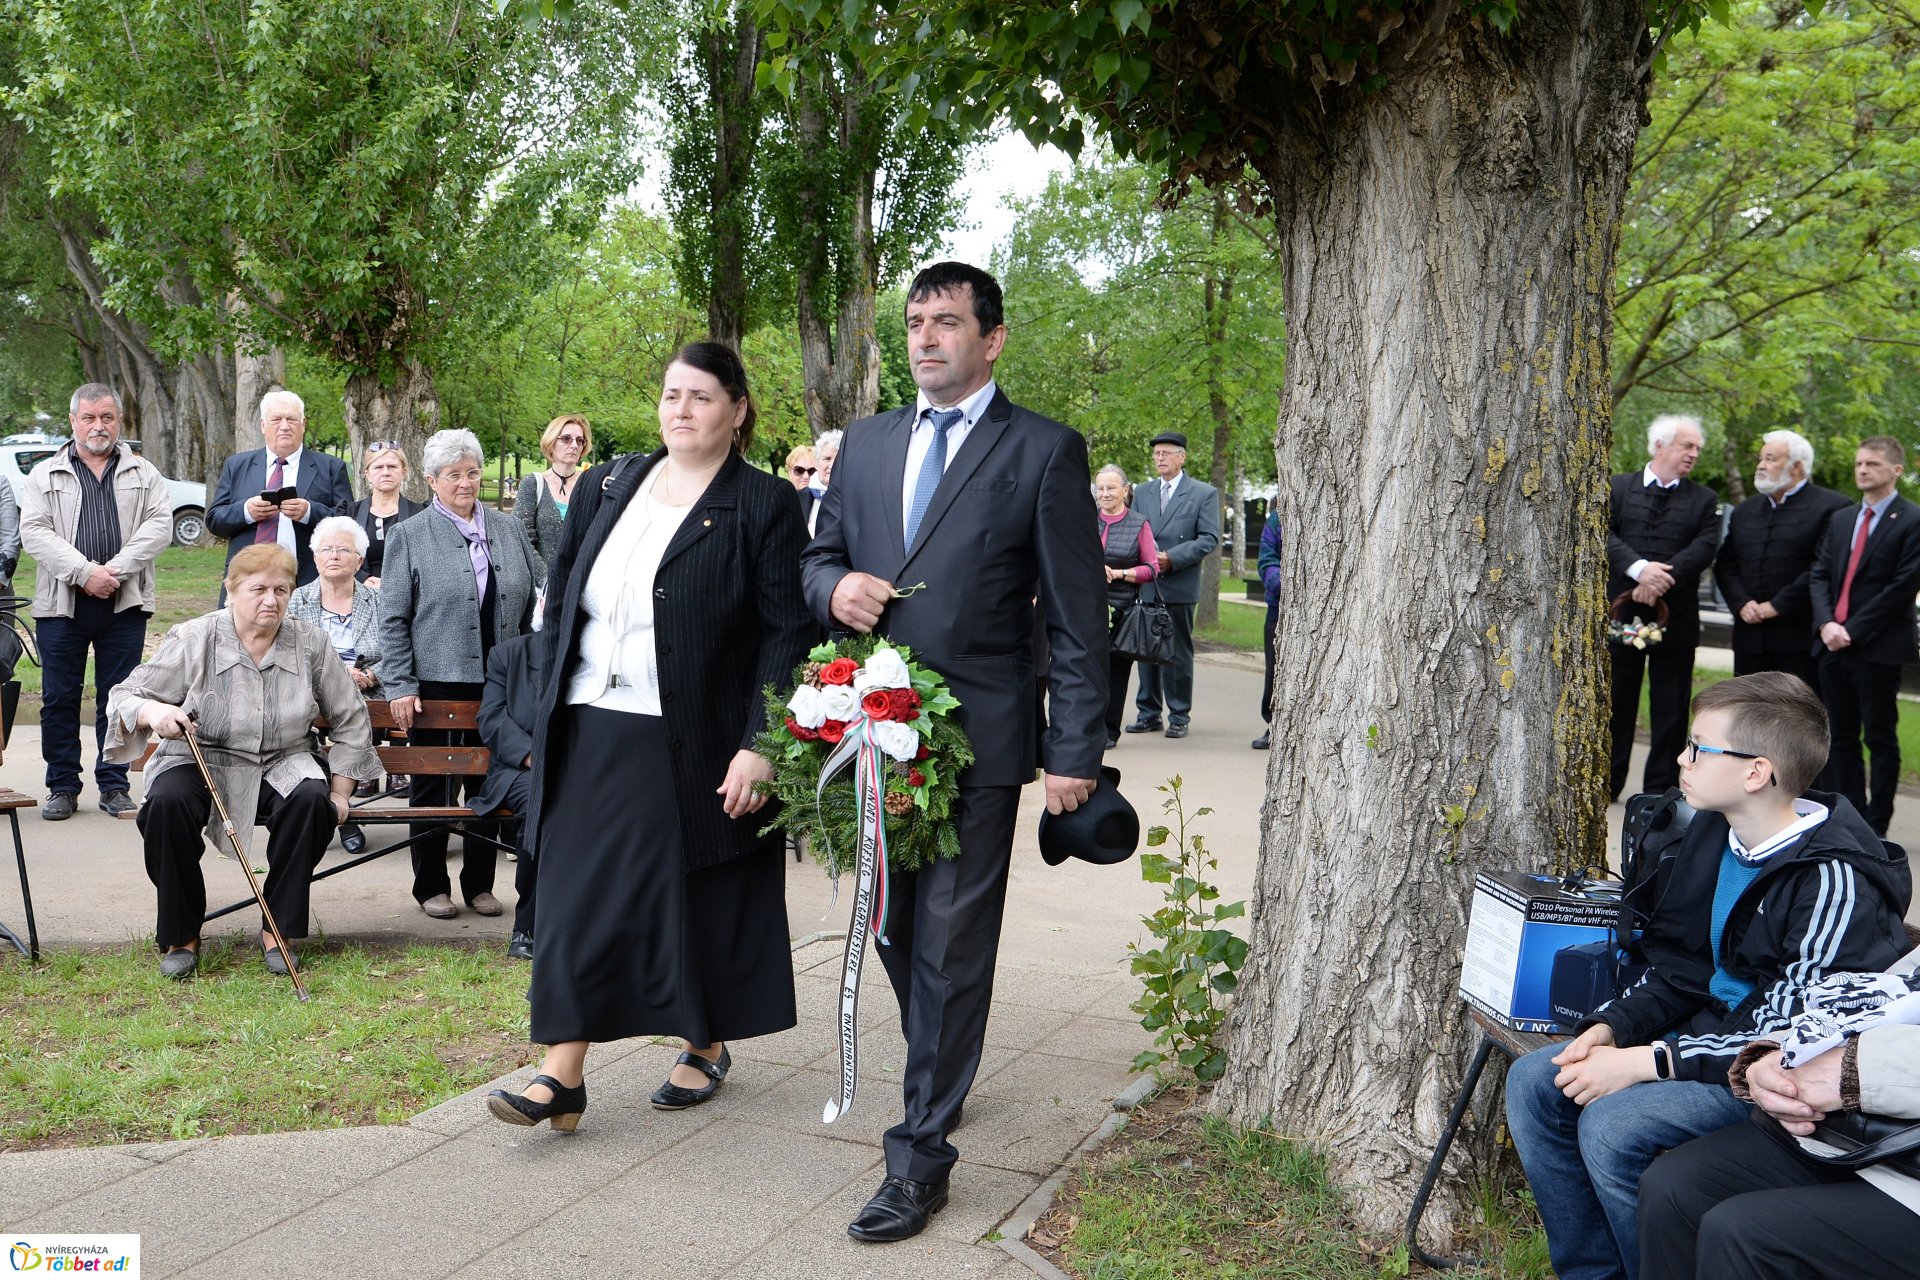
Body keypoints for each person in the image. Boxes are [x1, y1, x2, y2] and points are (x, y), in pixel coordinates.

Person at [801, 262, 1107, 1243]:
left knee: (949, 943)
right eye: (916, 323)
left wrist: (1076, 751)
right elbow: (818, 555)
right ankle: (944, 1060)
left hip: (980, 741)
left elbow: (1075, 615)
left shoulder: (1045, 451)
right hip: (876, 734)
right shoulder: (869, 444)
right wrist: (834, 586)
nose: (927, 338)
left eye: (947, 323)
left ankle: (919, 1155)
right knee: (892, 929)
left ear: (993, 338)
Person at [485, 340, 812, 1133]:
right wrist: (544, 705)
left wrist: (761, 741)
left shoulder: (764, 503)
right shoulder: (609, 483)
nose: (681, 410)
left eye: (701, 397)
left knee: (686, 890)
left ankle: (702, 1038)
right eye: (671, 394)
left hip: (689, 727)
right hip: (589, 719)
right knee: (571, 889)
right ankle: (561, 1072)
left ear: (737, 410)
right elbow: (563, 599)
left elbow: (786, 634)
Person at [1503, 672, 1912, 1280]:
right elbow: (1680, 966)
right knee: (1537, 1079)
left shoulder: (1831, 879)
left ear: (1756, 772)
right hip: (1705, 1038)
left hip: (1773, 1075)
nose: (1680, 758)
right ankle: (1594, 1272)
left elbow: (1791, 1037)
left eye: (1699, 747)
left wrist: (1650, 1062)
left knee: (1616, 1126)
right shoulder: (1716, 833)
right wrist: (1614, 1029)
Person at [104, 544, 379, 979]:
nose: (271, 600)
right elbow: (125, 696)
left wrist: (341, 790)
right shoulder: (196, 635)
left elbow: (350, 717)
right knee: (166, 805)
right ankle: (182, 934)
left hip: (282, 759)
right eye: (259, 589)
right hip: (201, 756)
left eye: (282, 589)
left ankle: (278, 929)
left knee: (310, 800)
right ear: (231, 591)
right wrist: (155, 712)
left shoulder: (310, 641)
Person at [1638, 955, 1920, 1280]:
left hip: (1891, 1147)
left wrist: (1855, 1070)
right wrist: (1774, 1054)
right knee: (1674, 1185)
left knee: (1745, 1233)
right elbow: (1882, 996)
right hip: (1859, 1132)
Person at [378, 428, 540, 921]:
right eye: (454, 475)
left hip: (502, 682)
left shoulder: (507, 529)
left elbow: (535, 594)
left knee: (493, 779)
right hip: (437, 682)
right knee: (435, 783)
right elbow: (392, 618)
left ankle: (480, 885)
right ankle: (431, 885)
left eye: (473, 473)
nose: (466, 483)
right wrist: (401, 684)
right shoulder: (409, 535)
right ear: (431, 480)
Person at [19, 383, 174, 821]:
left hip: (123, 604)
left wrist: (114, 573)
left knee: (120, 696)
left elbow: (159, 527)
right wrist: (85, 573)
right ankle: (63, 786)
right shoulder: (44, 475)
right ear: (73, 421)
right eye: (89, 417)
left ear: (119, 421)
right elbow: (35, 533)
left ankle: (115, 784)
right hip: (61, 606)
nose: (98, 426)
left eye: (106, 417)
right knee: (59, 697)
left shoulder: (145, 474)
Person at [1808, 436, 1920, 838]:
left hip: (1876, 648)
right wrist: (1826, 625)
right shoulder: (1842, 518)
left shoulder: (1911, 519)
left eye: (1871, 464)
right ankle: (1849, 816)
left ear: (1895, 470)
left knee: (1879, 736)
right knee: (1839, 736)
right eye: (1858, 463)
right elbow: (1819, 574)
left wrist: (1851, 631)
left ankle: (1877, 824)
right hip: (1831, 644)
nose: (1861, 470)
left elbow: (1903, 585)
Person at [1607, 414, 1720, 801]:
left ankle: (1659, 792)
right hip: (1620, 613)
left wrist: (1658, 581)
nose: (1693, 454)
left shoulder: (1705, 500)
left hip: (1677, 617)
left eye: (1697, 449)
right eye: (1686, 446)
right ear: (1659, 446)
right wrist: (1639, 570)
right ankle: (1608, 782)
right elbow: (1603, 534)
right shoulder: (1617, 488)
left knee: (1671, 709)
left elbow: (1705, 547)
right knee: (1615, 702)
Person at [1714, 430, 1847, 687]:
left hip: (1799, 637)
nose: (1761, 466)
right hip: (1749, 635)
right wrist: (1742, 603)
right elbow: (1726, 565)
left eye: (1771, 459)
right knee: (1748, 714)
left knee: (1797, 716)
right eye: (1761, 459)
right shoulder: (1745, 510)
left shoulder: (1832, 507)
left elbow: (1821, 567)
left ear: (1797, 466)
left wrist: (1776, 606)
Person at [207, 390, 355, 588]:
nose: (284, 426)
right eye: (276, 419)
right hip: (247, 578)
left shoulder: (331, 468)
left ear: (303, 424)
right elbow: (214, 520)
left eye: (292, 419)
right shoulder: (237, 465)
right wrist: (246, 511)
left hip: (309, 579)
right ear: (263, 425)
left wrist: (309, 512)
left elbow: (348, 522)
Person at [1126, 431, 1219, 739]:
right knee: (1145, 650)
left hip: (1178, 583)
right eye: (1156, 454)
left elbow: (1209, 538)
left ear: (1182, 457)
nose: (1160, 459)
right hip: (1148, 582)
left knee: (1177, 653)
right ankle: (1148, 713)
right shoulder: (1144, 491)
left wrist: (1173, 558)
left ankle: (1179, 715)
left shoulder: (1203, 493)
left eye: (1166, 453)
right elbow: (1135, 530)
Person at [470, 630, 546, 962]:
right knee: (538, 800)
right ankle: (527, 927)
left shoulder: (594, 652)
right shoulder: (508, 654)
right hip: (520, 771)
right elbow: (492, 718)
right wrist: (535, 756)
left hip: (580, 767)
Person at [1095, 463, 1158, 750]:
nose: (1105, 493)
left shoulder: (1138, 523)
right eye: (1100, 488)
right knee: (1084, 670)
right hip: (1086, 607)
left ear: (1125, 490)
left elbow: (1151, 568)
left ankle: (1109, 730)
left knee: (1115, 674)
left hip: (1121, 610)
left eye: (1111, 488)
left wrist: (1120, 574)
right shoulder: (1084, 519)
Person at [288, 517, 384, 699]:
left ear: (359, 561)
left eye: (343, 550)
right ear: (316, 558)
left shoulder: (379, 601)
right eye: (326, 549)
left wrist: (368, 675)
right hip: (310, 699)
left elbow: (400, 653)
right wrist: (337, 675)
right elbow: (286, 654)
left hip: (370, 699)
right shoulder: (297, 601)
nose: (334, 556)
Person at [516, 414, 591, 578]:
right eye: (566, 439)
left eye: (580, 440)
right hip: (543, 590)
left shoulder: (589, 485)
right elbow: (522, 539)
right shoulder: (533, 484)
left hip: (581, 586)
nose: (574, 445)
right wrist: (547, 581)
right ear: (551, 442)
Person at [348, 441, 425, 588]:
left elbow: (426, 560)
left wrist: (391, 584)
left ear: (404, 471)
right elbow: (339, 552)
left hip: (408, 595)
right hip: (359, 593)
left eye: (392, 466)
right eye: (378, 467)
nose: (385, 472)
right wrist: (362, 578)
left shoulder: (420, 514)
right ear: (367, 473)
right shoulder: (350, 514)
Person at [1254, 508, 1282, 751]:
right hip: (1279, 606)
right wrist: (1285, 584)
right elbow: (1266, 559)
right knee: (1275, 669)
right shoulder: (1277, 519)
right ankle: (1272, 724)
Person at [806, 429, 842, 537]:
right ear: (816, 463)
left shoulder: (855, 499)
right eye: (827, 459)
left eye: (838, 460)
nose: (831, 465)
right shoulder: (801, 496)